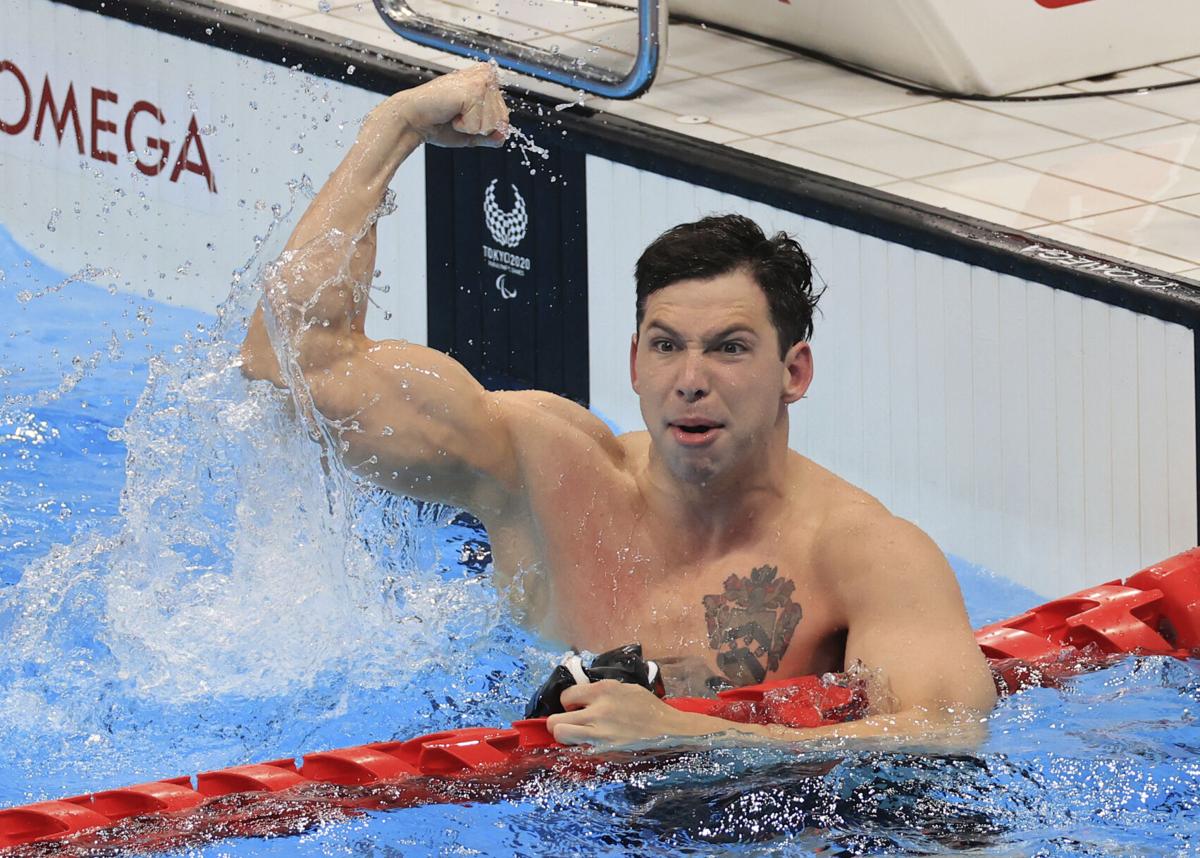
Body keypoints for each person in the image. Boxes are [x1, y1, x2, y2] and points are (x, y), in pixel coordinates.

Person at [240, 62, 997, 747]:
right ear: (634, 363)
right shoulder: (542, 472)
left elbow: (946, 731)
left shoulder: (863, 553)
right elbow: (290, 365)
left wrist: (690, 738)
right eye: (667, 346)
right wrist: (393, 127)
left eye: (729, 349)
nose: (691, 380)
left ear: (793, 372)